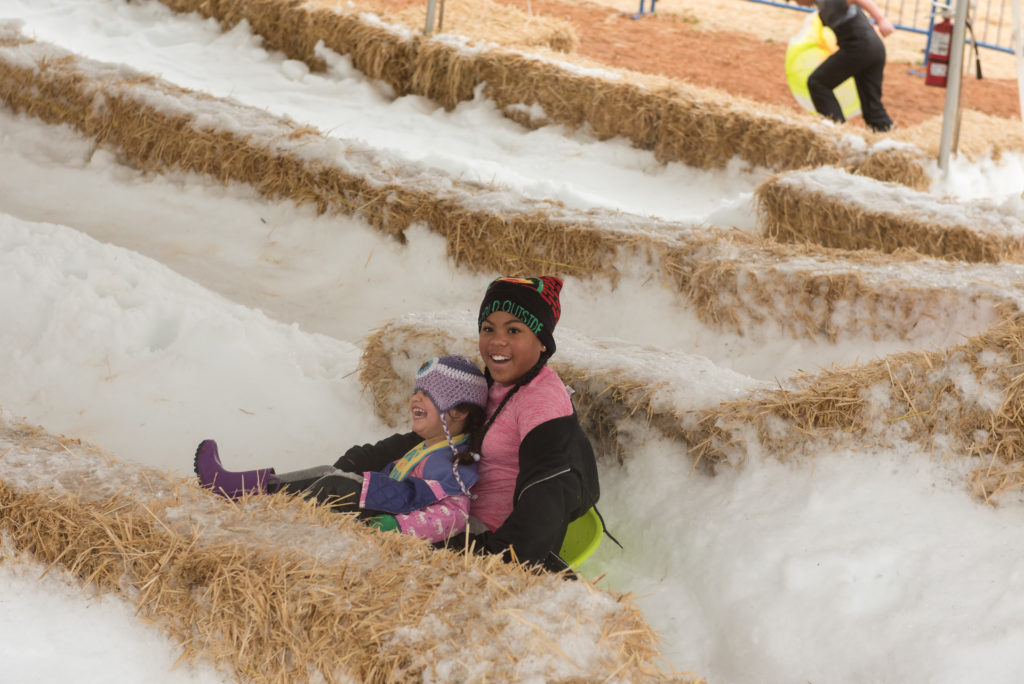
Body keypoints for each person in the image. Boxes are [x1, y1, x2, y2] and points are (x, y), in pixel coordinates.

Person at [194, 355, 488, 543]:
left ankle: (267, 517)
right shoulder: (428, 445)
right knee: (328, 473)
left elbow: (455, 515)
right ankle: (241, 487)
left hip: (386, 518)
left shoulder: (455, 461)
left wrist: (398, 527)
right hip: (381, 502)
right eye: (416, 392)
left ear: (458, 411)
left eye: (427, 395)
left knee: (335, 484)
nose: (415, 400)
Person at [454, 275, 601, 573]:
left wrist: (489, 558)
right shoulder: (491, 382)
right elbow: (435, 433)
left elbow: (546, 497)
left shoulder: (541, 403)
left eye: (513, 330)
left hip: (494, 535)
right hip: (458, 511)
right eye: (487, 328)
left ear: (542, 343)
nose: (497, 340)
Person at [791, 0, 894, 132]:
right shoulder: (820, 4)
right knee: (872, 108)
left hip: (859, 47)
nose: (797, 3)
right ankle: (894, 145)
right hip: (872, 48)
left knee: (817, 82)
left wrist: (881, 19)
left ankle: (836, 133)